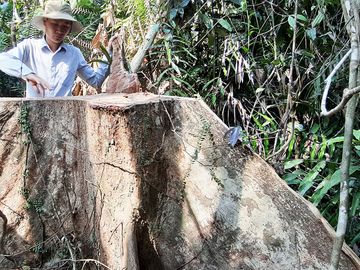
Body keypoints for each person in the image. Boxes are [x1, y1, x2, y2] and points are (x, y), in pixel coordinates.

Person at [0, 0, 112, 97]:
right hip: (34, 116)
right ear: (45, 22)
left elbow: (95, 81)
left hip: (65, 116)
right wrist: (28, 74)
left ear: (70, 28)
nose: (60, 30)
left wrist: (110, 51)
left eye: (65, 26)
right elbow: (3, 60)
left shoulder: (74, 54)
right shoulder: (29, 47)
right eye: (55, 24)